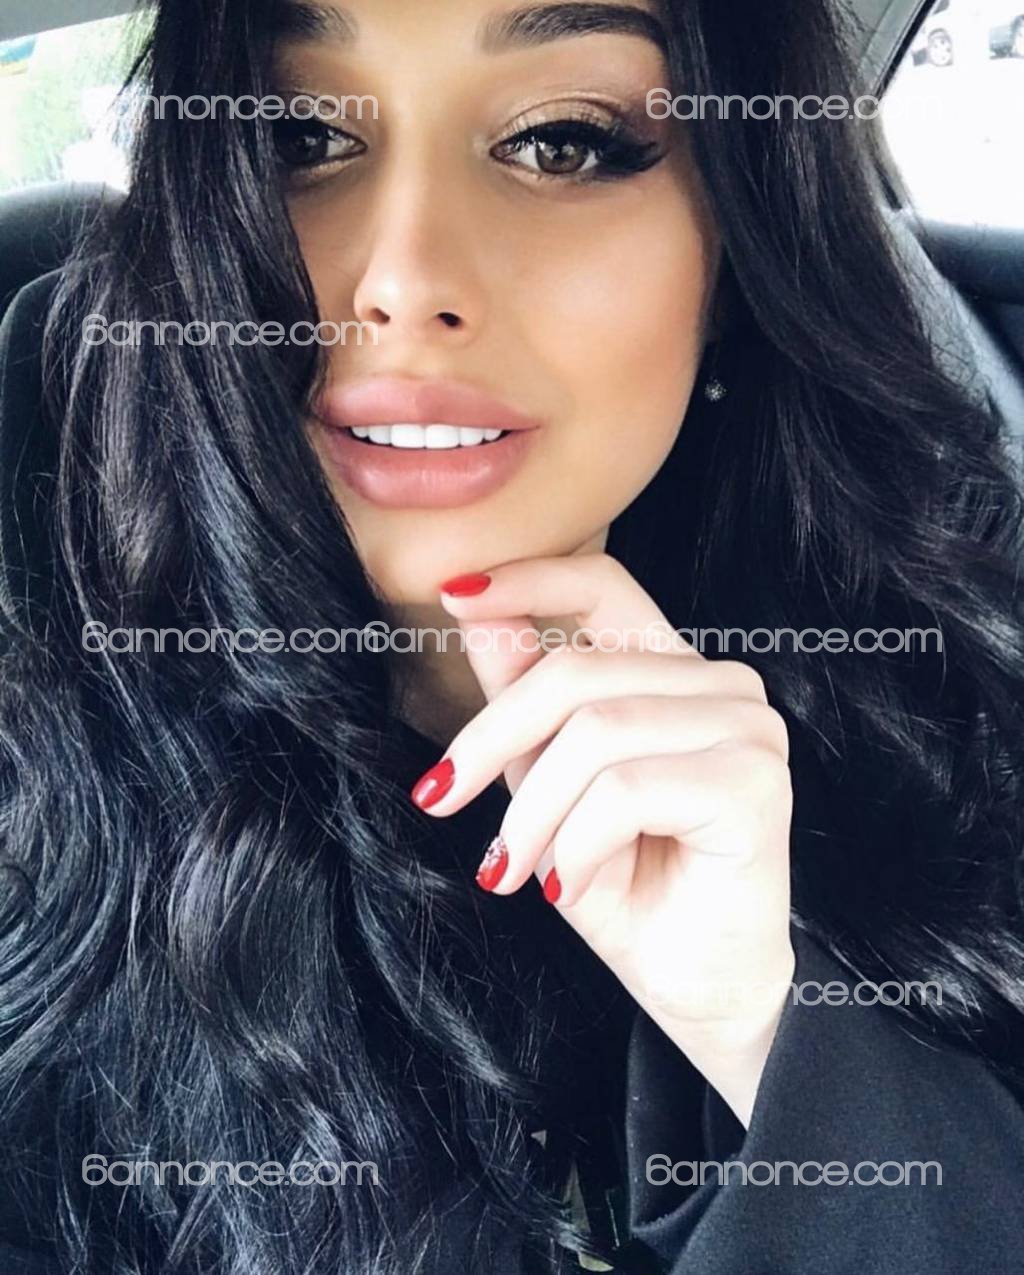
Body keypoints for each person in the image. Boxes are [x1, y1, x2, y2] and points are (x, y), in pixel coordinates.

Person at [1, 0, 1023, 1271]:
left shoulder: (952, 705)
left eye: (562, 142)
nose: (404, 282)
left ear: (735, 244)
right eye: (296, 134)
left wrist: (773, 1033)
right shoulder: (44, 799)